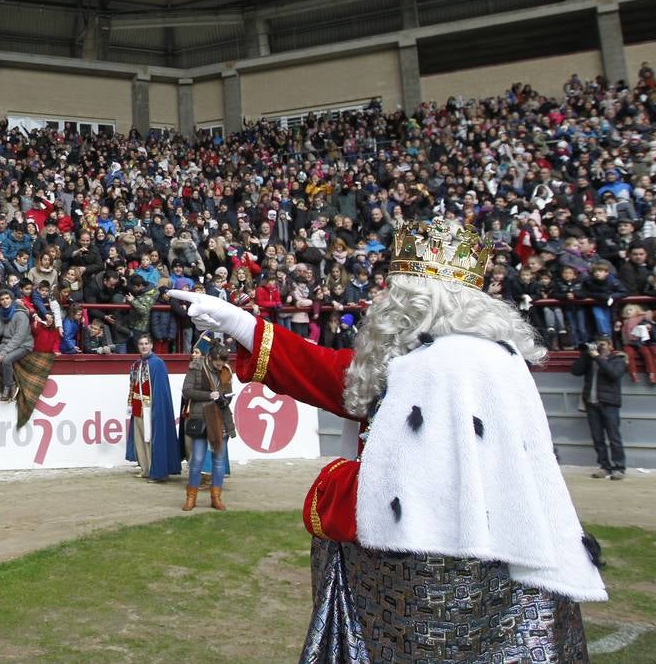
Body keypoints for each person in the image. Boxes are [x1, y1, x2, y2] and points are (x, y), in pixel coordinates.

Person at [171, 218, 604, 661]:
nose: (383, 299)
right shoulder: (455, 358)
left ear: (418, 301)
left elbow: (406, 485)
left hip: (426, 579)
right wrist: (241, 323)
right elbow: (330, 371)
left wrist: (333, 486)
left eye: (396, 291)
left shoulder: (438, 365)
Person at [181, 341, 235, 511]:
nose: (220, 368)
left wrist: (223, 398)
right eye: (218, 364)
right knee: (196, 460)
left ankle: (216, 498)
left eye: (223, 365)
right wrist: (208, 395)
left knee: (218, 462)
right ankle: (191, 498)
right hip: (201, 418)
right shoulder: (196, 368)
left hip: (220, 417)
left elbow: (228, 395)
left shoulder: (226, 371)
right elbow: (187, 391)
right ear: (210, 358)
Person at [125, 333, 180, 482]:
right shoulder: (136, 365)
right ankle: (146, 469)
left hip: (151, 408)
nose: (143, 346)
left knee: (152, 439)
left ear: (151, 345)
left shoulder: (157, 363)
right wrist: (130, 404)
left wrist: (156, 408)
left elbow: (161, 391)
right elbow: (132, 386)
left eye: (146, 344)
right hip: (137, 408)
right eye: (141, 344)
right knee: (140, 439)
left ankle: (157, 471)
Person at [573, 337, 627, 480]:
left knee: (614, 438)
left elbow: (613, 374)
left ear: (610, 346)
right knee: (598, 438)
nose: (599, 347)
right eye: (597, 344)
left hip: (609, 404)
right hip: (592, 404)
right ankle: (604, 467)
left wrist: (598, 357)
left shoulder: (618, 360)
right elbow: (575, 371)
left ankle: (619, 467)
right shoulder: (590, 360)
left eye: (602, 344)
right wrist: (585, 354)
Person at [0, 289, 31, 402]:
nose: (5, 301)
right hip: (7, 342)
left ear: (12, 299)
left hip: (23, 344)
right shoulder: (1, 313)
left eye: (7, 298)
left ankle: (8, 387)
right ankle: (11, 382)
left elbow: (19, 337)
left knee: (6, 360)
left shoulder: (20, 314)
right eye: (2, 299)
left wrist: (4, 351)